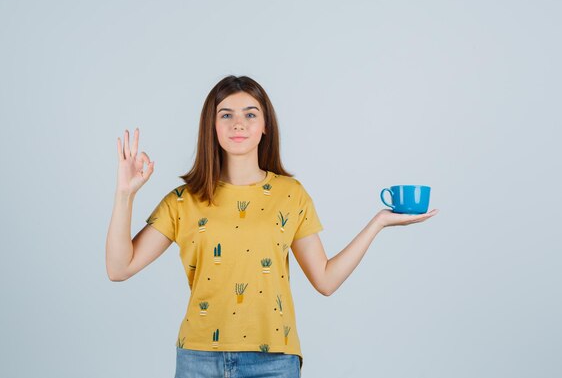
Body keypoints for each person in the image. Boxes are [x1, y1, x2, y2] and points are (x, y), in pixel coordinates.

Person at [106, 75, 439, 378]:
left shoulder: (290, 195)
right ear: (212, 126)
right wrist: (125, 194)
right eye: (226, 115)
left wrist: (378, 222)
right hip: (198, 359)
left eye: (250, 114)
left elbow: (325, 279)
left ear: (265, 125)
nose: (239, 123)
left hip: (274, 361)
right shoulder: (183, 200)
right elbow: (119, 268)